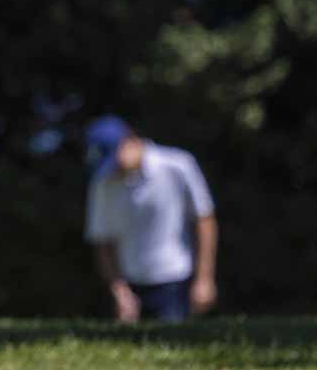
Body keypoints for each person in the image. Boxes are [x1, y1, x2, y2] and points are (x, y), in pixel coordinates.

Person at [82, 116, 217, 325]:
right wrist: (120, 291)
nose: (114, 170)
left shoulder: (178, 165)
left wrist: (204, 278)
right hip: (129, 284)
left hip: (175, 280)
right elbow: (102, 239)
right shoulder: (103, 182)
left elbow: (204, 220)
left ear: (129, 141)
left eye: (115, 161)